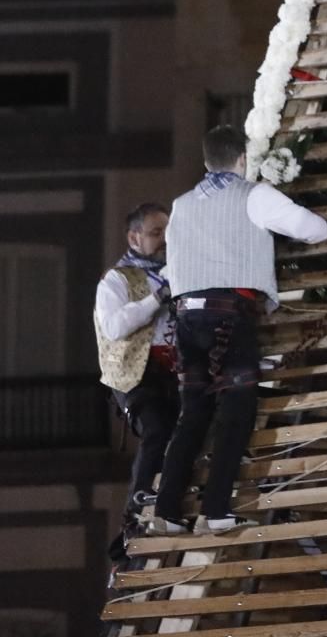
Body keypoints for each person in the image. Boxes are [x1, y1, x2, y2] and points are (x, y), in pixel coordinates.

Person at [150, 125, 327, 534]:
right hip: (229, 315)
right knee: (236, 409)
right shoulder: (254, 195)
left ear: (206, 160)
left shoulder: (181, 204)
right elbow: (314, 229)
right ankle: (215, 510)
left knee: (193, 412)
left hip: (186, 318)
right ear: (243, 159)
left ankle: (166, 511)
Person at [96, 202, 178, 563]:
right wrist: (157, 297)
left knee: (188, 431)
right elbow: (114, 327)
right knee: (156, 428)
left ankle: (174, 501)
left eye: (168, 232)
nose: (164, 240)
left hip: (174, 371)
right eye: (156, 232)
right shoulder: (116, 279)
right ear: (134, 237)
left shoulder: (179, 270)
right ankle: (137, 504)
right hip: (134, 375)